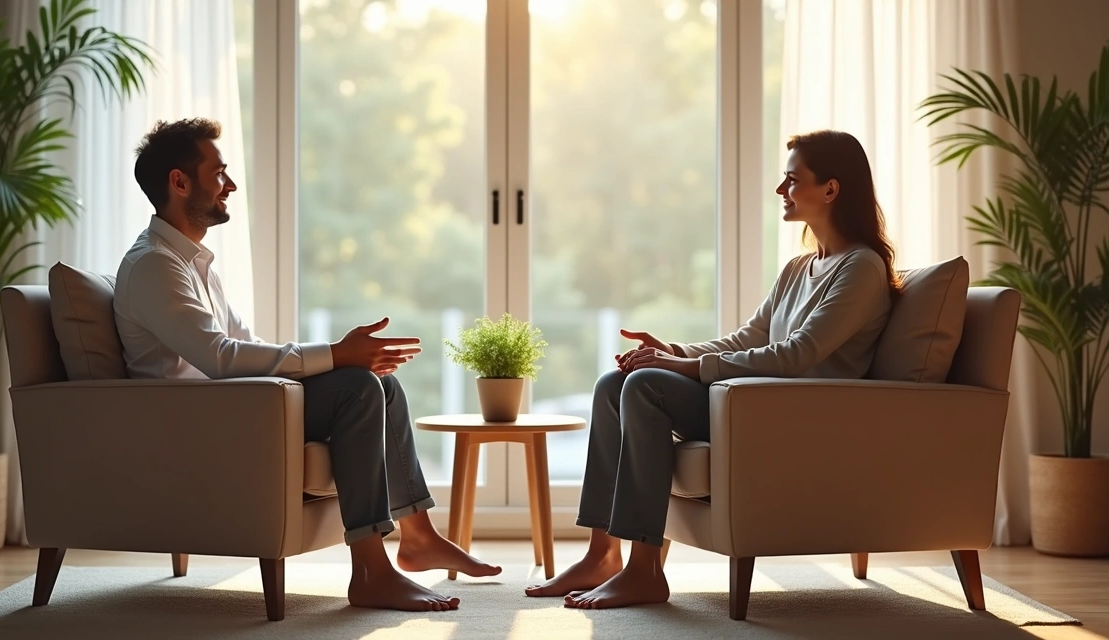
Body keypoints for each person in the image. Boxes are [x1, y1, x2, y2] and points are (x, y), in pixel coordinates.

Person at [113, 118, 501, 612]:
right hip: (198, 423)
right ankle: (370, 574)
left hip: (232, 407)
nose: (230, 185)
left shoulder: (190, 262)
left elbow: (244, 344)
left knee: (378, 384)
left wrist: (341, 360)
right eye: (220, 173)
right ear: (179, 181)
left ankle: (418, 537)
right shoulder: (154, 265)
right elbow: (220, 357)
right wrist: (337, 355)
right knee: (357, 386)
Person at [525, 129, 901, 609]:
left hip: (792, 416)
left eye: (791, 180)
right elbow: (748, 339)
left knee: (642, 387)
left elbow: (797, 355)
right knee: (613, 384)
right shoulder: (799, 268)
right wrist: (674, 351)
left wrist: (680, 367)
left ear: (830, 189)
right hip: (751, 403)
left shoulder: (860, 268)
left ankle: (644, 572)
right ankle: (603, 555)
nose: (780, 191)